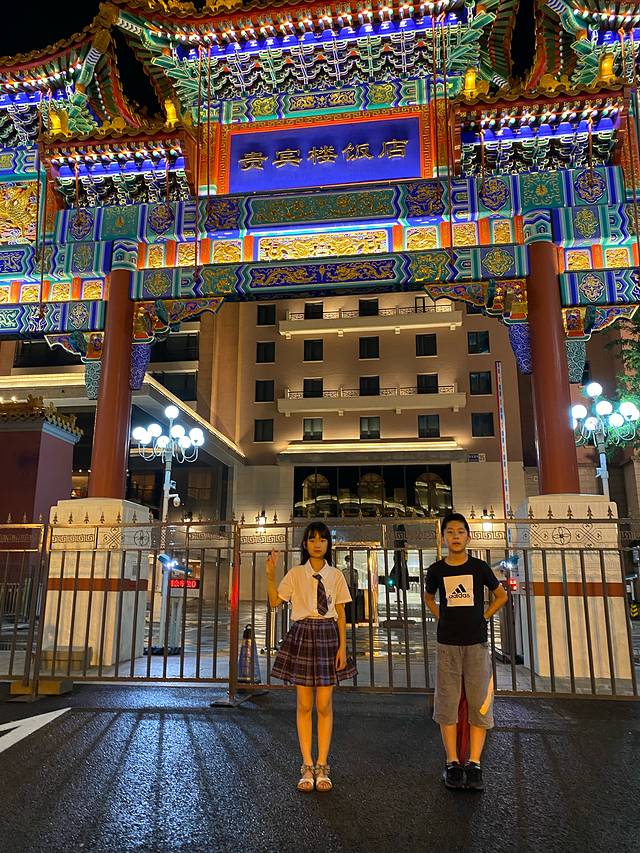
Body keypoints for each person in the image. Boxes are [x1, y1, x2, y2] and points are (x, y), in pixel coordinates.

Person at [266, 521, 357, 793]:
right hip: (303, 634)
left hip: (328, 635)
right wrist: (270, 576)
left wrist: (342, 647)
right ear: (305, 544)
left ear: (329, 544)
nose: (317, 544)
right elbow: (275, 602)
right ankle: (307, 765)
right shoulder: (296, 574)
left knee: (324, 704)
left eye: (323, 539)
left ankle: (323, 764)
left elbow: (341, 614)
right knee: (304, 704)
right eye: (312, 539)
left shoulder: (336, 575)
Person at [424, 512, 508, 791]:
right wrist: (442, 617)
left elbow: (501, 596)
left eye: (460, 532)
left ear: (468, 537)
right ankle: (451, 762)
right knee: (447, 702)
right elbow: (429, 597)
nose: (456, 536)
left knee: (478, 701)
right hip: (447, 644)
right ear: (443, 538)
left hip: (476, 643)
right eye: (450, 532)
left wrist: (484, 617)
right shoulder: (436, 570)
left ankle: (474, 763)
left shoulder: (479, 567)